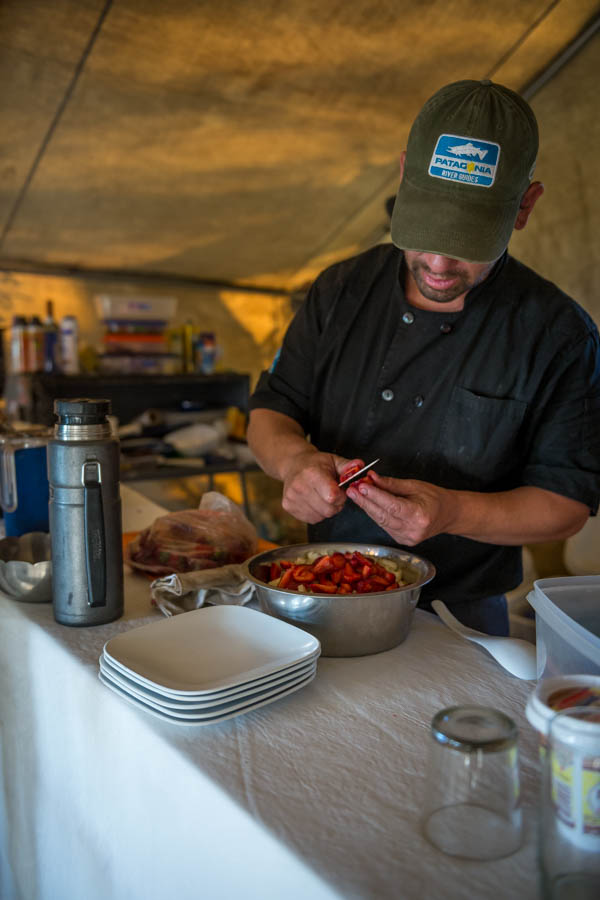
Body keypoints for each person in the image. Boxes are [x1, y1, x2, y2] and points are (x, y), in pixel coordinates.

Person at [246, 79, 600, 636]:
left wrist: (454, 512)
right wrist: (293, 462)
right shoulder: (340, 289)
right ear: (407, 172)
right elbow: (271, 411)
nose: (438, 261)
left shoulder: (557, 332)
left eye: (466, 241)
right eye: (426, 231)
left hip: (464, 613)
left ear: (525, 207)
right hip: (320, 587)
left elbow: (565, 504)